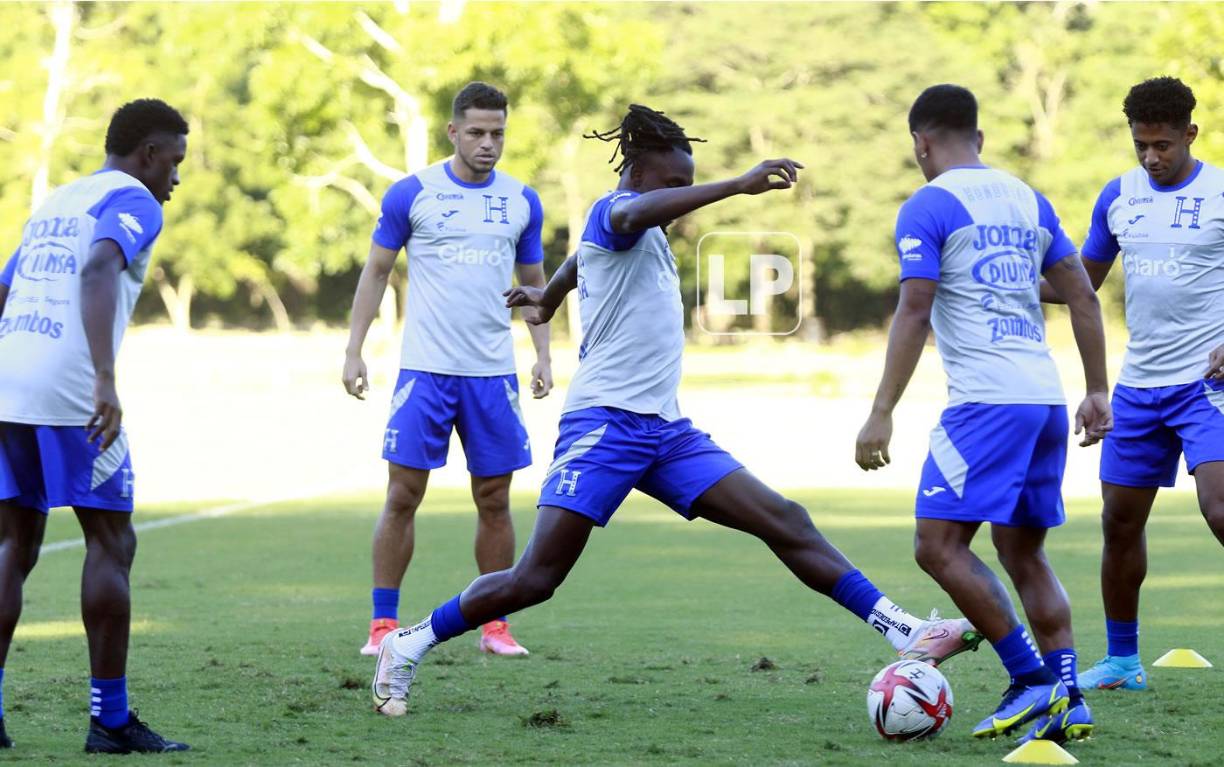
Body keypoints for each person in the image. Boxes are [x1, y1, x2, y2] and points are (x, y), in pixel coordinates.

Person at [371, 103, 982, 720]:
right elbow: (624, 216)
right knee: (534, 580)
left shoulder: (633, 233)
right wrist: (736, 185)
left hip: (666, 433)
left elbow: (585, 256)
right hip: (604, 427)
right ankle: (409, 641)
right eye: (674, 185)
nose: (681, 198)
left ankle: (901, 629)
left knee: (786, 520)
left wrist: (549, 296)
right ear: (636, 174)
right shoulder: (618, 210)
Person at [855, 84, 1111, 743]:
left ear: (921, 143)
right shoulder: (1028, 198)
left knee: (937, 546)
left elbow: (914, 310)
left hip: (986, 403)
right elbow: (1082, 293)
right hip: (1045, 398)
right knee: (1021, 550)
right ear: (982, 138)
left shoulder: (928, 205)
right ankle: (1069, 695)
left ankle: (1029, 680)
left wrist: (881, 410)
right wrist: (1097, 389)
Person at [0, 99, 190, 754]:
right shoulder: (135, 200)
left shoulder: (58, 199)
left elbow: (6, 285)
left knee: (12, 546)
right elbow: (99, 266)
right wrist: (104, 380)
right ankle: (109, 718)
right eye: (174, 162)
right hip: (68, 387)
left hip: (10, 378)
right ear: (148, 154)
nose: (175, 179)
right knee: (111, 541)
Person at [343, 82, 551, 658]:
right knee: (403, 494)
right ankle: (383, 625)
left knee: (494, 498)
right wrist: (354, 348)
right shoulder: (412, 193)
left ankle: (495, 625)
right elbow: (377, 272)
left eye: (498, 133)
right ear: (453, 132)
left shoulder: (521, 200)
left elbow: (535, 286)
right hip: (425, 373)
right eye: (478, 132)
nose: (489, 144)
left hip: (492, 375)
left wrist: (543, 353)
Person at [1038, 76, 1224, 691]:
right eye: (1141, 144)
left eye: (1163, 145)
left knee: (1220, 510)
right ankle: (1122, 662)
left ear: (1190, 134)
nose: (1151, 157)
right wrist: (1001, 278)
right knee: (1119, 524)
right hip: (1138, 389)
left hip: (1208, 386)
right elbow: (1079, 281)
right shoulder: (1118, 195)